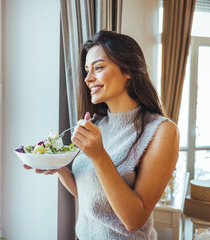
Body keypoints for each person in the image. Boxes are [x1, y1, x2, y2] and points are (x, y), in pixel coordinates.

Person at [23, 30, 179, 239]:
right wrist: (58, 166)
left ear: (128, 70)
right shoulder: (97, 125)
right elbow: (91, 195)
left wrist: (99, 155)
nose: (88, 78)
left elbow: (134, 220)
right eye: (87, 70)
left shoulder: (161, 131)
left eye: (98, 67)